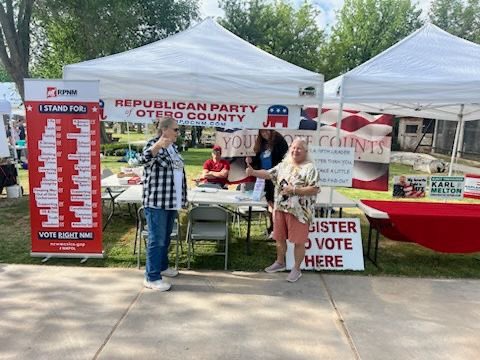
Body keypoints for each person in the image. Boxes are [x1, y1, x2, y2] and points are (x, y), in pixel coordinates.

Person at [246, 138, 320, 282]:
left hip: (299, 212)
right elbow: (268, 174)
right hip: (280, 208)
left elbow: (314, 189)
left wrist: (294, 190)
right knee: (279, 237)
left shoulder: (310, 168)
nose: (295, 151)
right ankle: (280, 262)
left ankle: (296, 269)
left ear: (305, 151)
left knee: (298, 241)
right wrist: (253, 172)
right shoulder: (284, 165)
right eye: (293, 148)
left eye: (299, 148)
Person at [138, 116, 187, 291]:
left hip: (170, 202)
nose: (178, 133)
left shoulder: (173, 148)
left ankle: (163, 266)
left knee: (165, 238)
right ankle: (151, 277)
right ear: (165, 129)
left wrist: (182, 199)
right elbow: (142, 160)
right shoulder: (153, 144)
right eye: (176, 129)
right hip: (156, 202)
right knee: (156, 240)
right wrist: (158, 146)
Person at [246, 129, 288, 236]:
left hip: (276, 178)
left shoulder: (280, 142)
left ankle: (277, 229)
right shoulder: (261, 144)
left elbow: (285, 159)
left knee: (275, 204)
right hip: (263, 178)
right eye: (262, 132)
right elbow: (257, 160)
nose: (265, 134)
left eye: (267, 131)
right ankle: (272, 227)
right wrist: (251, 160)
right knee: (269, 203)